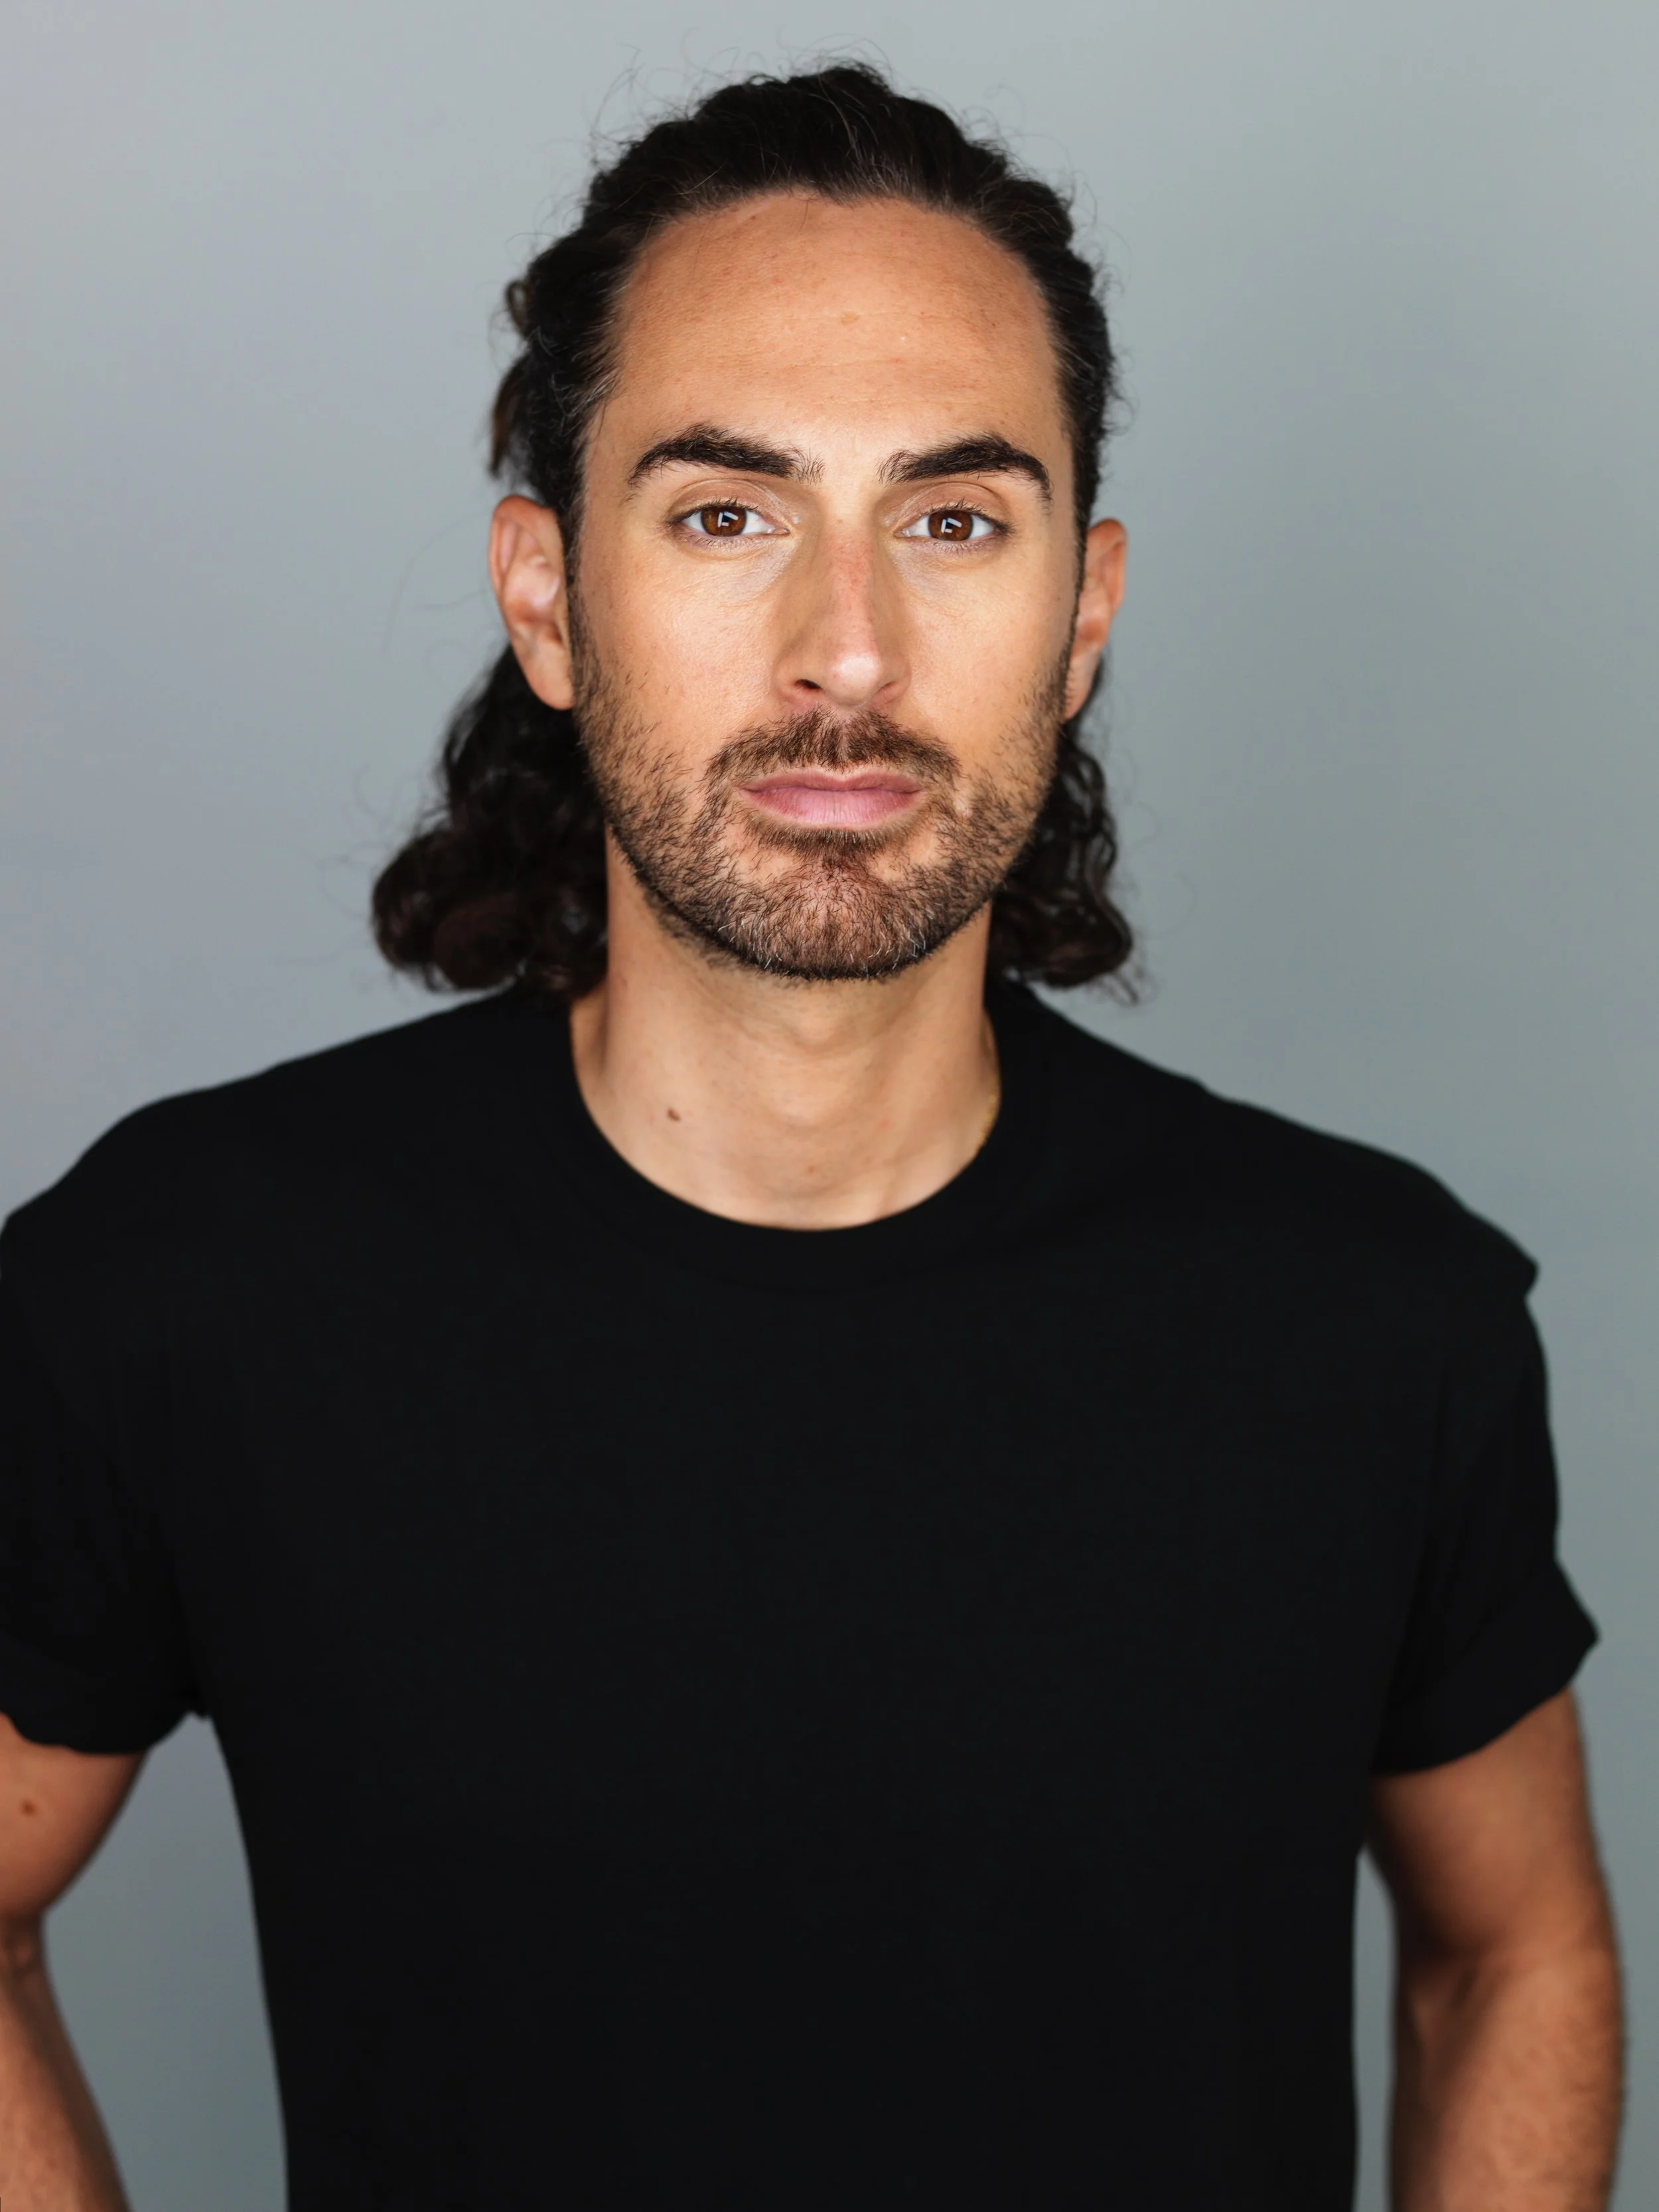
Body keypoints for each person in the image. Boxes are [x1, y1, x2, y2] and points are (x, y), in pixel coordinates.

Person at [0, 61, 1622, 2212]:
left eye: (953, 519)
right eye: (725, 511)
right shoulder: (180, 1285)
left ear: (1084, 607)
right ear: (550, 597)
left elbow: (1513, 1946)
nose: (844, 649)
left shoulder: (1376, 1320)